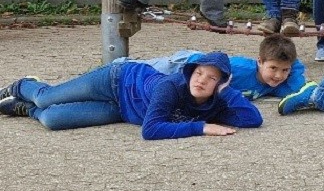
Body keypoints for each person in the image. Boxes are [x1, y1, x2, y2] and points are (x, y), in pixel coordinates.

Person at [0, 52, 263, 140]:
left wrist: (227, 91)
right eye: (199, 73)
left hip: (124, 111)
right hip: (117, 80)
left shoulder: (217, 100)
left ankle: (24, 108)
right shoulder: (170, 87)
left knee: (51, 119)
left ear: (219, 85)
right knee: (47, 98)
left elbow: (253, 118)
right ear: (190, 72)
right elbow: (150, 130)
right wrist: (201, 128)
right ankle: (22, 86)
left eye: (212, 78)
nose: (201, 80)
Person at [138, 34, 308, 101]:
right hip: (184, 64)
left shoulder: (274, 85)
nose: (278, 75)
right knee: (141, 68)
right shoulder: (239, 68)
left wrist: (294, 65)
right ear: (260, 61)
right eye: (273, 68)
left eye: (285, 70)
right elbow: (205, 62)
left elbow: (297, 88)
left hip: (193, 79)